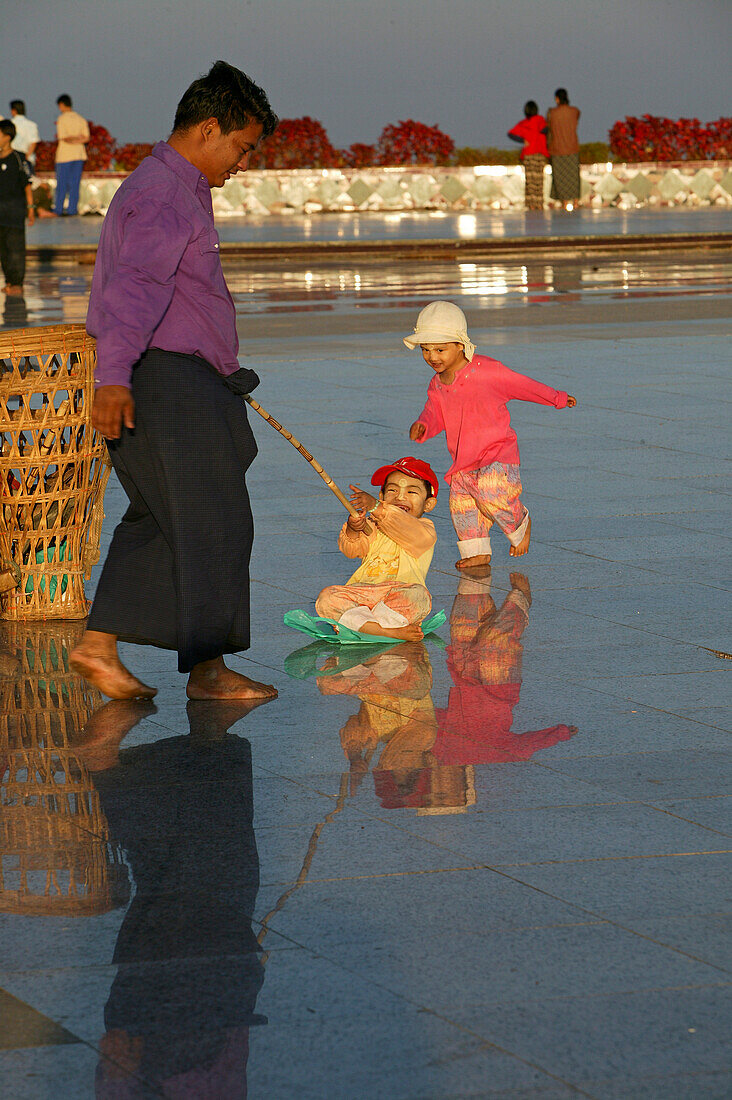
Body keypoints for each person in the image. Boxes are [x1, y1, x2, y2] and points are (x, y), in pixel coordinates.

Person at [70, 61, 279, 701]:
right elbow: (135, 291)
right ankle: (210, 673)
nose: (242, 163)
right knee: (215, 522)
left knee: (163, 518)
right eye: (242, 148)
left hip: (178, 377)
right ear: (209, 128)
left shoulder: (179, 189)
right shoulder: (162, 194)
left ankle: (97, 645)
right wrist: (113, 380)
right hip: (163, 379)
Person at [405, 300, 576, 570]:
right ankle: (477, 550)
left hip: (498, 452)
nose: (432, 357)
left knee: (491, 492)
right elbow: (434, 412)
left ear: (460, 345)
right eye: (425, 350)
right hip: (463, 458)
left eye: (440, 349)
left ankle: (520, 523)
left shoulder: (487, 371)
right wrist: (424, 425)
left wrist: (557, 398)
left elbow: (524, 386)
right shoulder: (437, 383)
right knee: (462, 506)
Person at [314, 456, 439, 642]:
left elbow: (403, 525)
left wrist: (377, 508)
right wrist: (353, 530)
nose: (400, 497)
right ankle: (386, 630)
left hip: (399, 592)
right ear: (382, 496)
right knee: (327, 598)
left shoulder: (425, 530)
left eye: (412, 492)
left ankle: (362, 625)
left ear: (428, 504)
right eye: (392, 490)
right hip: (364, 591)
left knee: (419, 597)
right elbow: (352, 550)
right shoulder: (372, 525)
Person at [0, 119, 35, 296]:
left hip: (14, 212)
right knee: (3, 251)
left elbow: (27, 185)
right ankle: (8, 282)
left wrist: (31, 208)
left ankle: (17, 283)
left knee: (16, 250)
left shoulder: (19, 159)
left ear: (7, 137)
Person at [507, 100, 549, 211]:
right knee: (539, 180)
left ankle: (531, 204)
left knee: (530, 181)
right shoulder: (540, 120)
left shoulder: (523, 123)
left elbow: (510, 133)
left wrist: (522, 140)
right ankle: (539, 204)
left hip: (528, 153)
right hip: (539, 153)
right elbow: (545, 129)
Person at [54, 94, 90, 215]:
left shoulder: (62, 119)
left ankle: (59, 209)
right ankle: (72, 209)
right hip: (79, 155)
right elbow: (86, 138)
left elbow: (63, 137)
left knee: (62, 184)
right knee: (75, 184)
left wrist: (72, 139)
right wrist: (78, 139)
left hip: (65, 156)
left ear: (61, 105)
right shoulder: (81, 119)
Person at [547, 87, 581, 210]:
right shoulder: (575, 111)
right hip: (572, 147)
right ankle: (576, 201)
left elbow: (549, 128)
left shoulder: (552, 113)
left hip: (557, 148)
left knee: (560, 177)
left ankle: (565, 202)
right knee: (573, 176)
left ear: (557, 99)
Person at [9, 100, 39, 167]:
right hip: (27, 160)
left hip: (11, 159)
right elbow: (33, 143)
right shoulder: (32, 125)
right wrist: (26, 157)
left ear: (13, 110)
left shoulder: (10, 124)